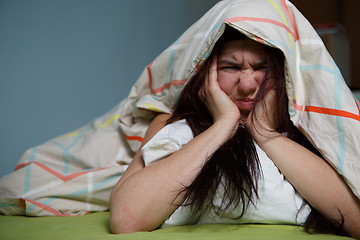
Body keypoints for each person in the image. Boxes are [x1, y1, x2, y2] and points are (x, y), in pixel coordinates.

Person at [109, 26, 360, 238]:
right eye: (230, 67)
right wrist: (223, 124)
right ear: (205, 73)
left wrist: (264, 133)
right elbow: (126, 219)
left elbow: (355, 220)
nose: (247, 84)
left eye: (262, 67)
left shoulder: (306, 130)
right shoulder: (171, 125)